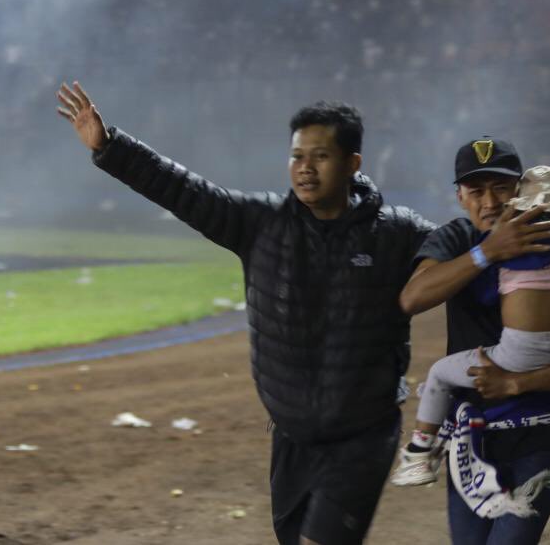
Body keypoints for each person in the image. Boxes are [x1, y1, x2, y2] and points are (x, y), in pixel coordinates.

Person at [55, 82, 434, 545]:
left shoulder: (396, 233)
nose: (305, 168)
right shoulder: (260, 223)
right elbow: (184, 191)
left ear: (353, 163)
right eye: (297, 156)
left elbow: (460, 249)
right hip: (292, 431)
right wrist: (110, 146)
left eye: (320, 156)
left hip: (363, 433)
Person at [397, 138, 550, 543]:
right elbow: (412, 299)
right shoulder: (457, 238)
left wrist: (517, 383)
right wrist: (487, 253)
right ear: (460, 196)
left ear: (520, 190)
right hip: (471, 438)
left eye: (500, 188)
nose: (489, 202)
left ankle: (419, 452)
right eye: (476, 190)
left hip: (540, 434)